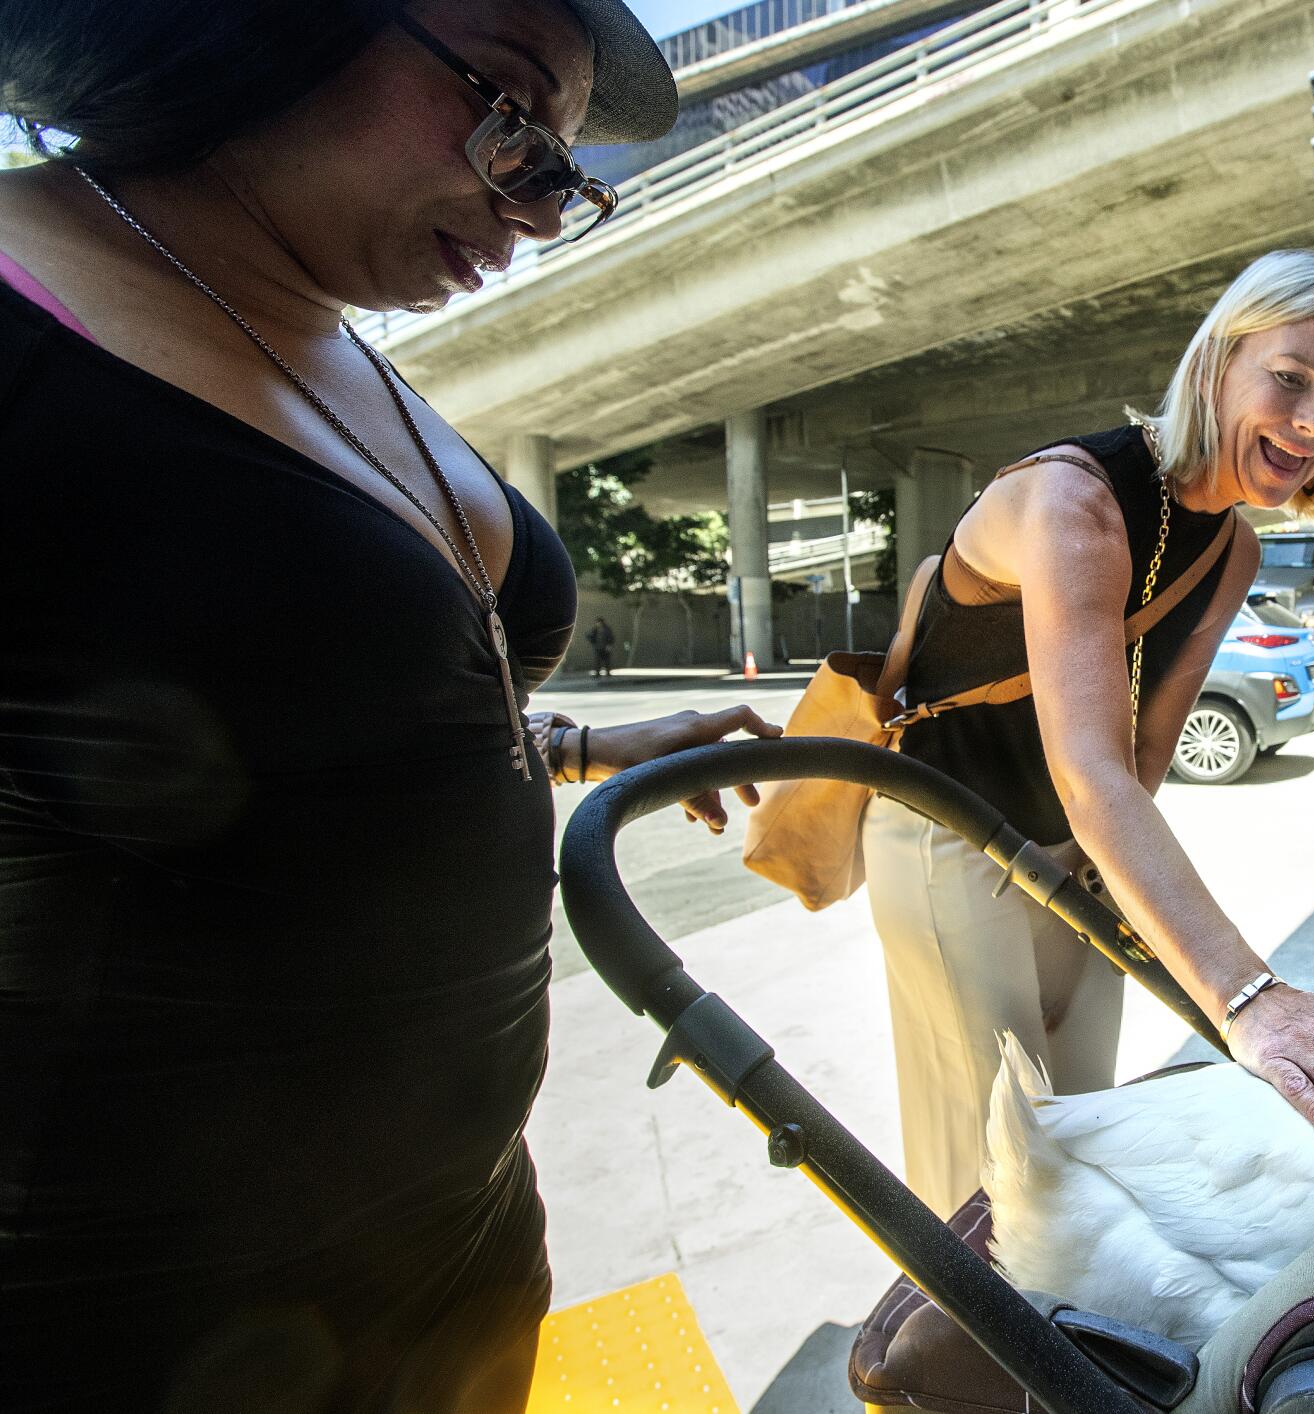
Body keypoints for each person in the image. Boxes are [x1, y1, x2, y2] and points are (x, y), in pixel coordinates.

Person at [0, 2, 776, 1408]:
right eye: (511, 116)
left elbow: (313, 732)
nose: (538, 205)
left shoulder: (319, 327)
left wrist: (588, 741)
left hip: (460, 1256)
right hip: (124, 1324)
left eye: (562, 167)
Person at [861, 250, 1314, 1217]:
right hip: (947, 833)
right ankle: (959, 1359)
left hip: (1069, 846)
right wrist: (1250, 1000)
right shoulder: (1076, 499)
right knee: (993, 1165)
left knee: (1083, 1133)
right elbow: (1093, 769)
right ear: (1219, 363)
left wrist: (1134, 907)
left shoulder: (1233, 548)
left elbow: (1141, 758)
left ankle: (1058, 1355)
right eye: (1291, 379)